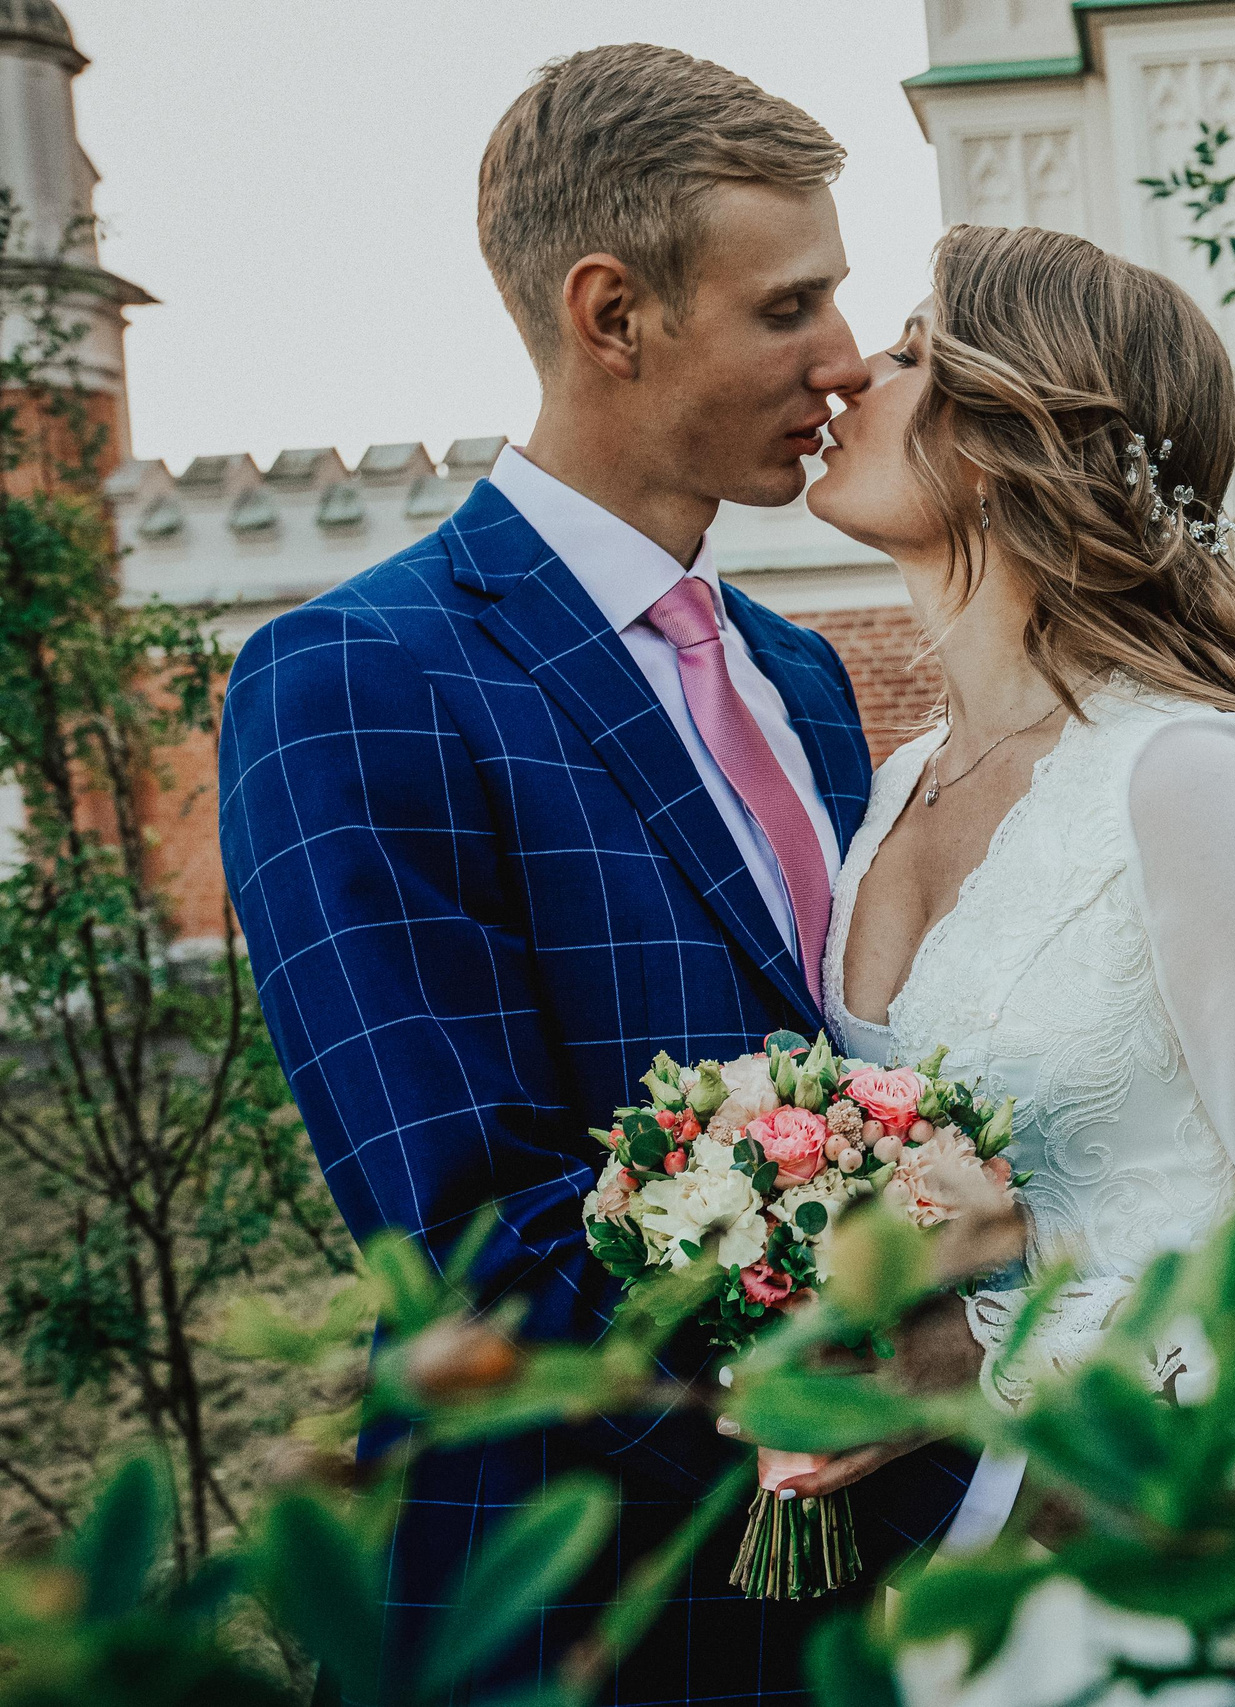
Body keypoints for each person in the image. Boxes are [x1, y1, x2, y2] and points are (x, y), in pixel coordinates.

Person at [216, 45, 972, 1704]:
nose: (845, 359)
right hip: (570, 1613)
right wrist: (885, 1416)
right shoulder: (355, 679)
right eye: (790, 308)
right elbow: (462, 1224)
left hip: (854, 1614)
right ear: (612, 313)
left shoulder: (804, 678)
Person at [806, 223, 1235, 1705]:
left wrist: (1010, 1386)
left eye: (911, 354)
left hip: (1204, 1567)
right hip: (962, 1588)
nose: (852, 372)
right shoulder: (894, 785)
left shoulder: (1181, 775)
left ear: (1006, 432)